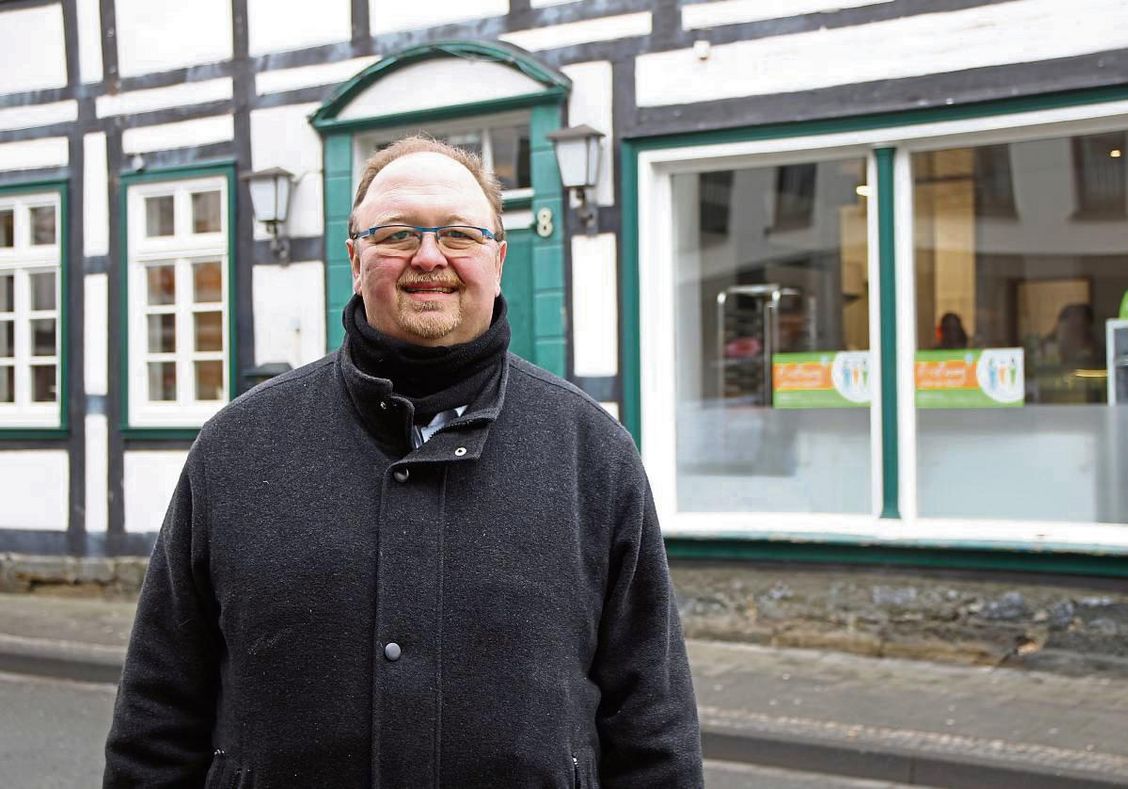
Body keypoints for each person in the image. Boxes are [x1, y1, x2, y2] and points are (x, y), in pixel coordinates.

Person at [104, 136, 703, 787]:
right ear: (354, 257)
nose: (428, 257)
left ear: (498, 258)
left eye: (459, 234)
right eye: (396, 235)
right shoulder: (235, 450)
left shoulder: (593, 455)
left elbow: (652, 726)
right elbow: (157, 719)